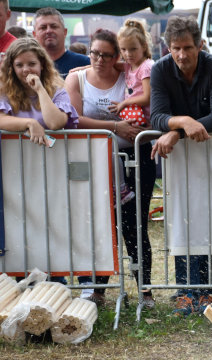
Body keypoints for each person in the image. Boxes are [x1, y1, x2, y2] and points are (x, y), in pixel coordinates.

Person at [65, 29, 157, 308]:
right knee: (95, 222)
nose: (100, 60)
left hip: (135, 155)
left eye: (107, 55)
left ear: (118, 56)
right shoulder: (77, 78)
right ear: (88, 52)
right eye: (94, 53)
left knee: (135, 224)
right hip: (95, 158)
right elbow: (74, 119)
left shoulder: (129, 72)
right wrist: (114, 127)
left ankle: (146, 290)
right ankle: (95, 287)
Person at [150, 16, 212, 315]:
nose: (182, 55)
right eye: (176, 48)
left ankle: (206, 292)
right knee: (181, 221)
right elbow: (156, 116)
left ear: (200, 45)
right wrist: (182, 122)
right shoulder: (160, 69)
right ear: (167, 47)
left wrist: (176, 130)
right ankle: (185, 292)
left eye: (187, 47)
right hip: (182, 161)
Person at [0, 38, 77, 143]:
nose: (26, 69)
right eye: (19, 65)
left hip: (53, 155)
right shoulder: (4, 90)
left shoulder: (58, 90)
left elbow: (55, 123)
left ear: (42, 64)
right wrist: (30, 123)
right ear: (12, 68)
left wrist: (40, 90)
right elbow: (0, 120)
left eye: (32, 64)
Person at [33, 8, 90, 79]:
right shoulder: (30, 66)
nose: (48, 31)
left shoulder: (84, 63)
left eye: (54, 26)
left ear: (65, 32)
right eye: (43, 27)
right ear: (34, 34)